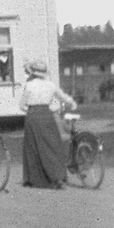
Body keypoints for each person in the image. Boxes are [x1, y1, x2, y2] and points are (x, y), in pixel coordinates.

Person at [19, 59, 77, 188]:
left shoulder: (29, 85)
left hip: (33, 115)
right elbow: (63, 97)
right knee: (52, 145)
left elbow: (21, 105)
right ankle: (57, 176)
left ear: (33, 73)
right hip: (47, 114)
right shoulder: (50, 85)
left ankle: (33, 178)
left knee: (32, 147)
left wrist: (28, 110)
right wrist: (72, 103)